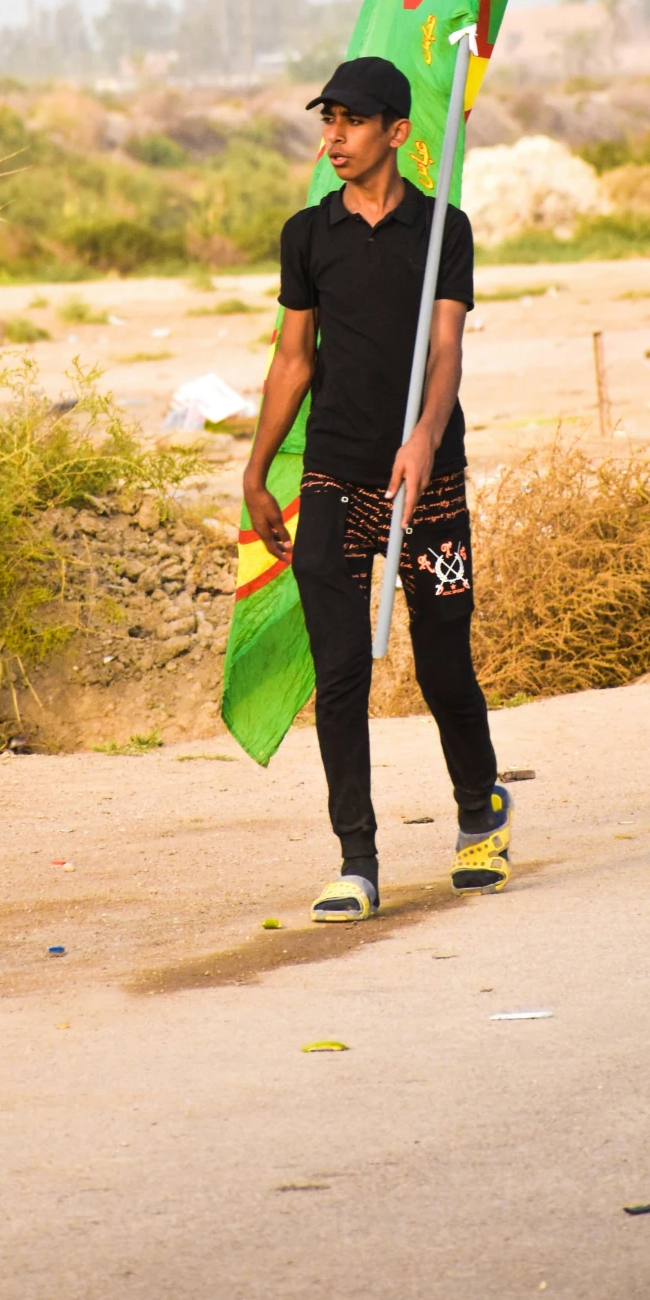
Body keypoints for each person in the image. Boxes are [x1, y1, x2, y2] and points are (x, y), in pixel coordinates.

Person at [241, 55, 510, 926]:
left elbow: (444, 352)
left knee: (441, 659)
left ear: (396, 132)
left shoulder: (443, 231)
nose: (334, 138)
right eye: (327, 122)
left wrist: (426, 438)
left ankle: (479, 811)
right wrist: (254, 468)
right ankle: (356, 859)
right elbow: (293, 360)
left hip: (426, 479)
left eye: (352, 123)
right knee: (341, 671)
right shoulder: (306, 234)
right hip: (333, 470)